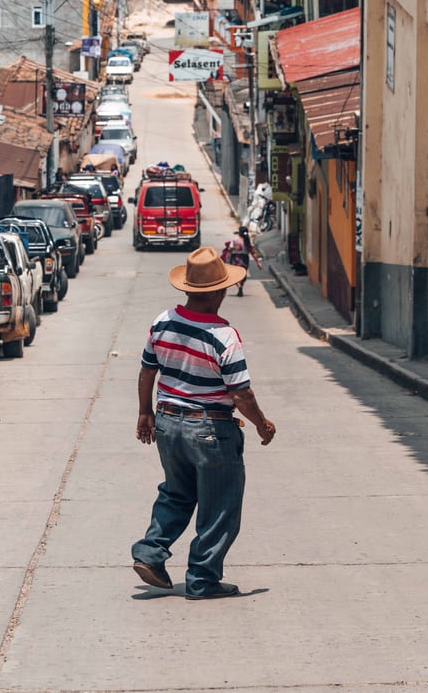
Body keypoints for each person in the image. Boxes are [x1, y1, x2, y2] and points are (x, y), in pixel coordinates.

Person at [131, 245, 276, 600]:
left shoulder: (162, 321)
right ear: (218, 292)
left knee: (177, 493)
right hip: (210, 429)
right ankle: (202, 579)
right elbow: (240, 394)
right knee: (221, 505)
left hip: (168, 423)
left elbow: (147, 370)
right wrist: (262, 424)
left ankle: (150, 552)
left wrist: (145, 412)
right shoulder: (224, 336)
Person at [223, 226, 262, 296]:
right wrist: (258, 262)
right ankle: (241, 286)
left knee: (235, 276)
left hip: (235, 259)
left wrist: (227, 260)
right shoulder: (248, 241)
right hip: (245, 260)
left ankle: (239, 286)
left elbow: (230, 250)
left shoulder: (235, 240)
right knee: (243, 275)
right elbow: (253, 252)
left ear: (239, 233)